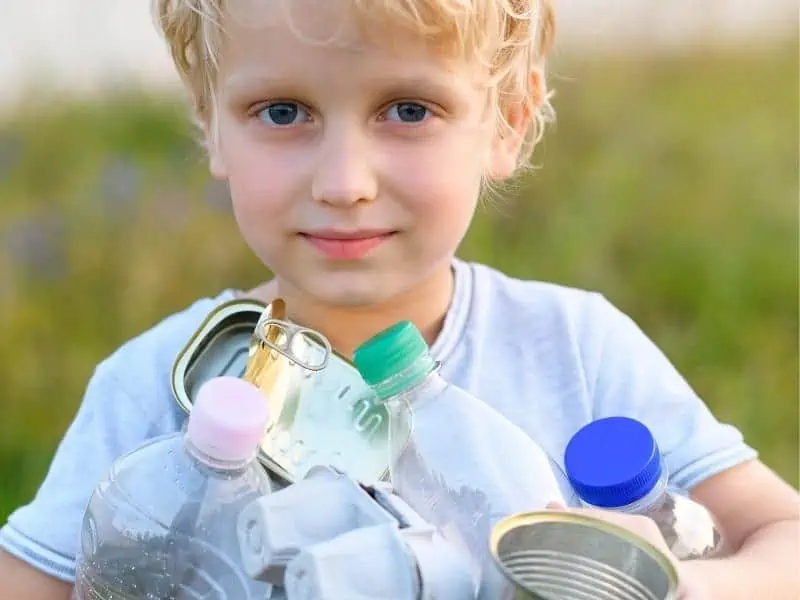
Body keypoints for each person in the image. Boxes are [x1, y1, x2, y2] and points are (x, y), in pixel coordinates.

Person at [1, 0, 797, 598]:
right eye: (282, 112)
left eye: (408, 110)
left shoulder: (572, 347)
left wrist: (675, 584)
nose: (344, 183)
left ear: (508, 120)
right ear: (209, 123)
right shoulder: (157, 387)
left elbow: (783, 540)